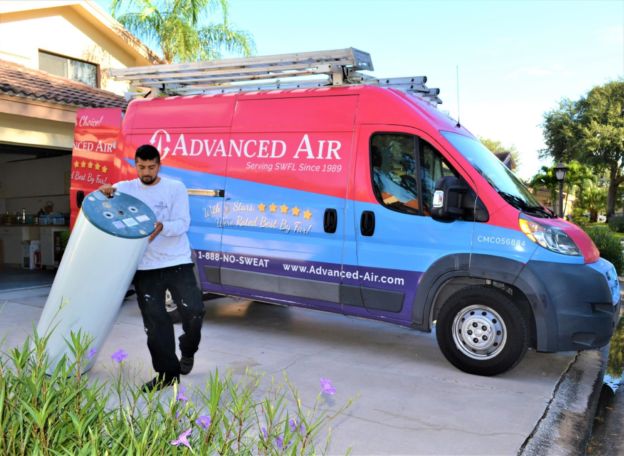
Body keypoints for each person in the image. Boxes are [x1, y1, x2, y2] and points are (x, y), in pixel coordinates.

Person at [99, 144, 205, 392]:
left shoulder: (174, 188)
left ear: (159, 165)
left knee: (195, 312)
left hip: (177, 260)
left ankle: (188, 350)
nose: (146, 171)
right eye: (141, 166)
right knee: (156, 324)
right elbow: (104, 195)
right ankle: (167, 374)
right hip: (145, 266)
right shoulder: (125, 188)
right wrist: (103, 192)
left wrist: (162, 227)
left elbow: (182, 223)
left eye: (151, 167)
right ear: (135, 164)